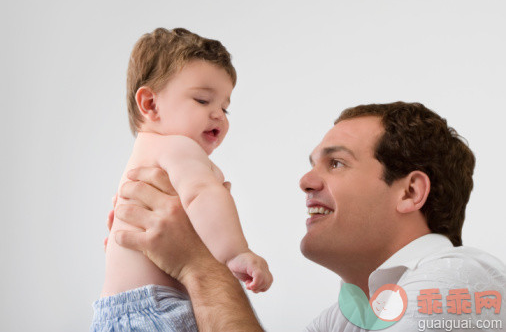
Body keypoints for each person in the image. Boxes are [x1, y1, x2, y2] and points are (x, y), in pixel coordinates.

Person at [112, 102, 506, 331]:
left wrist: (201, 264)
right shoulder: (337, 322)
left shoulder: (461, 281)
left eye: (336, 163)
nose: (305, 181)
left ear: (409, 192)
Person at [92, 28, 272, 332]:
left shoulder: (147, 151)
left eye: (225, 107)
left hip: (116, 313)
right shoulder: (178, 146)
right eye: (203, 100)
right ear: (150, 104)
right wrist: (238, 253)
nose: (218, 115)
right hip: (155, 309)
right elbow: (203, 194)